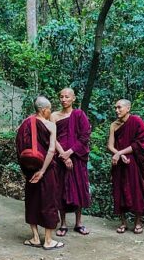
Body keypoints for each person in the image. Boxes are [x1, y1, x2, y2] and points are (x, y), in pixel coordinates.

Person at [16, 96, 64, 250]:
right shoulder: (50, 125)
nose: (50, 112)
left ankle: (35, 237)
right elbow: (51, 150)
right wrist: (42, 170)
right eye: (49, 109)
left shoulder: (24, 124)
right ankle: (48, 240)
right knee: (49, 202)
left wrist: (25, 170)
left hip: (29, 168)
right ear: (44, 110)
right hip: (47, 170)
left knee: (33, 201)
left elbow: (19, 147)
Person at [51, 87, 92, 236]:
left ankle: (78, 223)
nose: (63, 99)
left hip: (77, 157)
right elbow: (52, 138)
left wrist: (70, 152)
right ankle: (63, 224)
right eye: (61, 97)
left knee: (79, 188)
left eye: (67, 97)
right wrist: (63, 154)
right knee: (61, 188)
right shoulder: (54, 116)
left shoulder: (79, 114)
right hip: (60, 157)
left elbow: (85, 136)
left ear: (73, 98)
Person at [108, 99, 144, 234]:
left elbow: (140, 143)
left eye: (119, 107)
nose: (117, 110)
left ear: (128, 108)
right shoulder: (114, 125)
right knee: (119, 191)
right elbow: (110, 146)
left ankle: (138, 222)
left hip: (133, 161)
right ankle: (123, 222)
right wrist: (118, 154)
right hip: (118, 162)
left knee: (136, 190)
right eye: (115, 108)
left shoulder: (137, 121)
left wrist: (120, 153)